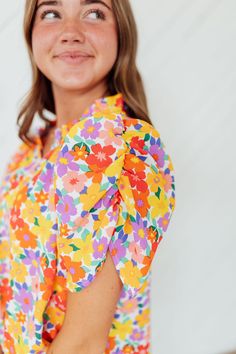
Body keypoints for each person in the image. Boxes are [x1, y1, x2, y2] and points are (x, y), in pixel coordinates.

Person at [0, 0, 176, 353]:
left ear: (121, 34)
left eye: (94, 12)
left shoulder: (116, 146)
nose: (70, 33)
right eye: (51, 13)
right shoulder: (34, 148)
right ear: (31, 35)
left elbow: (83, 344)